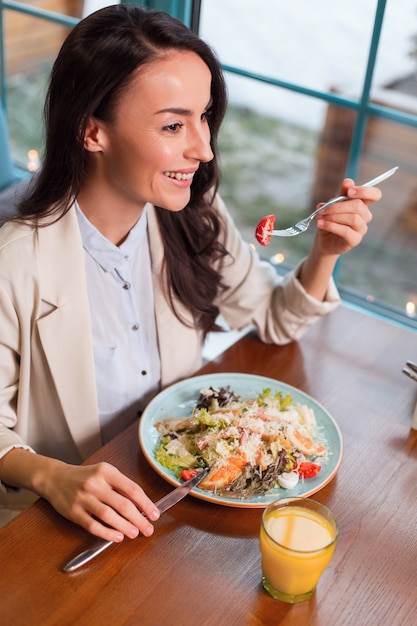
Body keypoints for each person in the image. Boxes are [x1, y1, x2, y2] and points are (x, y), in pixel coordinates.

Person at [0, 4, 381, 539]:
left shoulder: (194, 215)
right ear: (92, 132)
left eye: (204, 117)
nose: (202, 147)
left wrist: (325, 252)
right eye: (174, 124)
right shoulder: (15, 261)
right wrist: (52, 476)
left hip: (175, 500)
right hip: (62, 524)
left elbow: (274, 319)